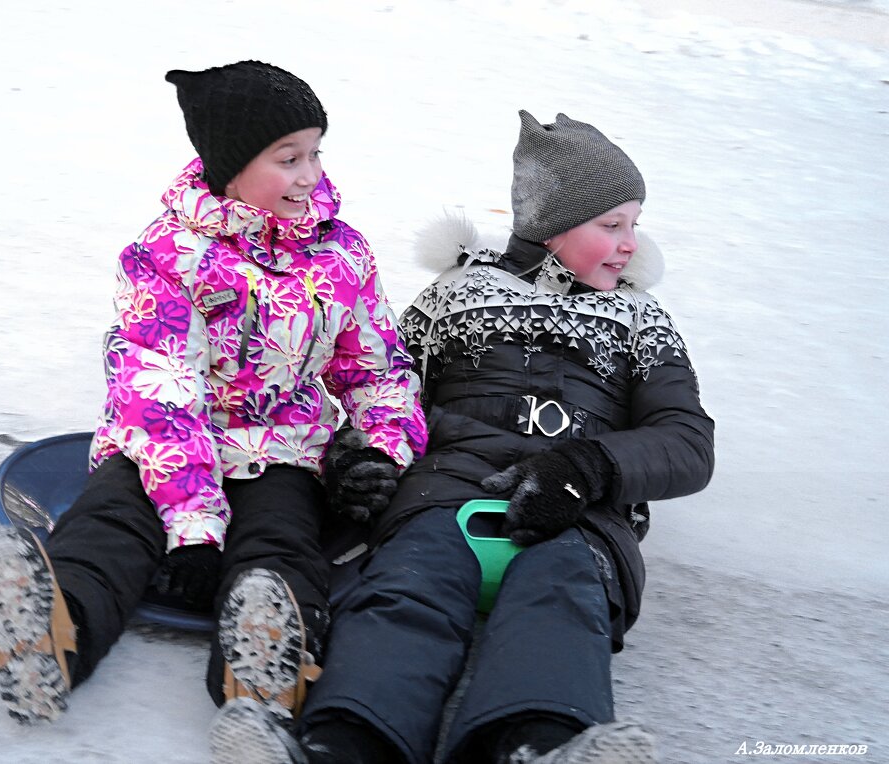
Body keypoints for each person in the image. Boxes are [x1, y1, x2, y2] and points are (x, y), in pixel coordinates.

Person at [209, 111, 715, 764]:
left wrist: (588, 467)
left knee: (558, 597)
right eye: (611, 225)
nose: (629, 246)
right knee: (405, 592)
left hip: (575, 510)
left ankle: (537, 745)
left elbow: (686, 439)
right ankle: (342, 745)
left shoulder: (639, 316)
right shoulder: (456, 293)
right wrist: (359, 458)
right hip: (442, 493)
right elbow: (382, 386)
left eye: (633, 227)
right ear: (551, 226)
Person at [0, 60, 427, 725]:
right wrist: (192, 530)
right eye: (287, 157)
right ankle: (50, 636)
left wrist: (383, 450)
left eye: (315, 154)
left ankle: (263, 669)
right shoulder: (168, 256)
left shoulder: (341, 254)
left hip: (282, 448)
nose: (309, 175)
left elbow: (376, 367)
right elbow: (159, 391)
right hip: (165, 450)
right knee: (110, 526)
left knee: (281, 546)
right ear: (229, 168)